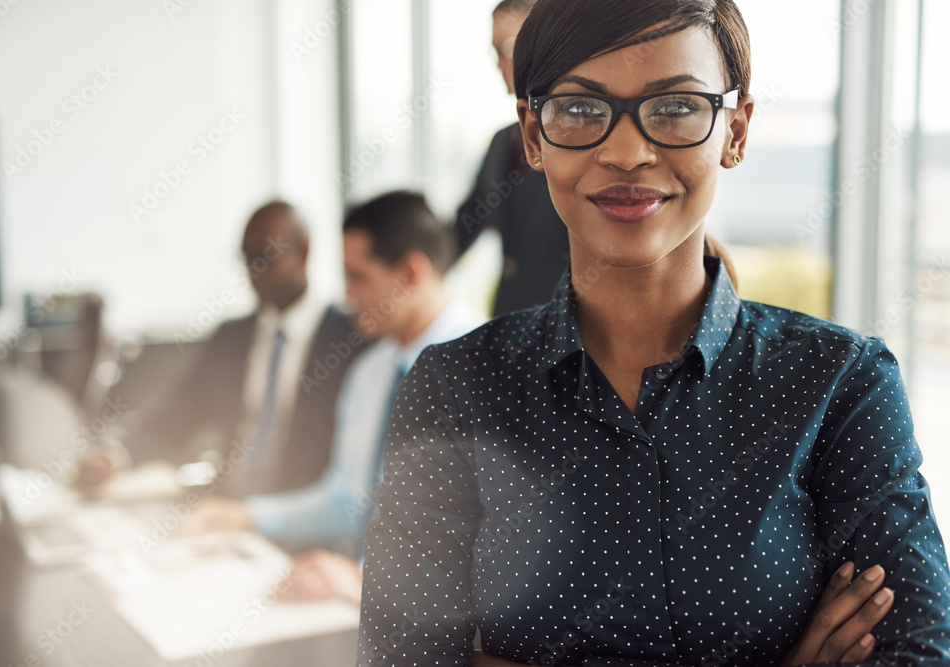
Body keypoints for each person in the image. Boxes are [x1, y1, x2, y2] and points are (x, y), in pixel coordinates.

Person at [357, 1, 950, 665]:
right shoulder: (454, 388)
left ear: (736, 130)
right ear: (532, 135)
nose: (627, 151)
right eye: (580, 109)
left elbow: (915, 652)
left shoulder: (841, 383)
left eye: (674, 107)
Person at [183, 192, 479, 569]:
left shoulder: (491, 373)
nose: (346, 295)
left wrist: (360, 582)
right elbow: (346, 501)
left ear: (409, 274)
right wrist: (248, 516)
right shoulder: (370, 373)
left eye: (357, 277)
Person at [111, 201, 364, 497]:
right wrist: (117, 455)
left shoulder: (350, 341)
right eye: (246, 257)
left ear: (302, 252)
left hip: (303, 523)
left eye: (264, 257)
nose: (253, 271)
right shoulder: (230, 339)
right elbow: (177, 418)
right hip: (225, 511)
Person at [453, 0, 571, 317]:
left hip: (567, 322)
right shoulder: (502, 141)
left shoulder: (580, 137)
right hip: (510, 316)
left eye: (506, 48)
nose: (499, 64)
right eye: (495, 53)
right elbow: (467, 223)